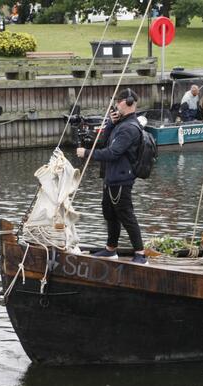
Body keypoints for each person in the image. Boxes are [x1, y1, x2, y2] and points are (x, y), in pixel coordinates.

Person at [75, 88, 147, 265]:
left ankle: (140, 253)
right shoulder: (120, 124)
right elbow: (103, 142)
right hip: (111, 177)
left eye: (117, 102)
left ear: (127, 103)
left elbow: (113, 153)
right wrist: (110, 124)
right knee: (109, 214)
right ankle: (110, 249)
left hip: (122, 179)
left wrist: (86, 153)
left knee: (126, 215)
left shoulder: (130, 128)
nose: (115, 106)